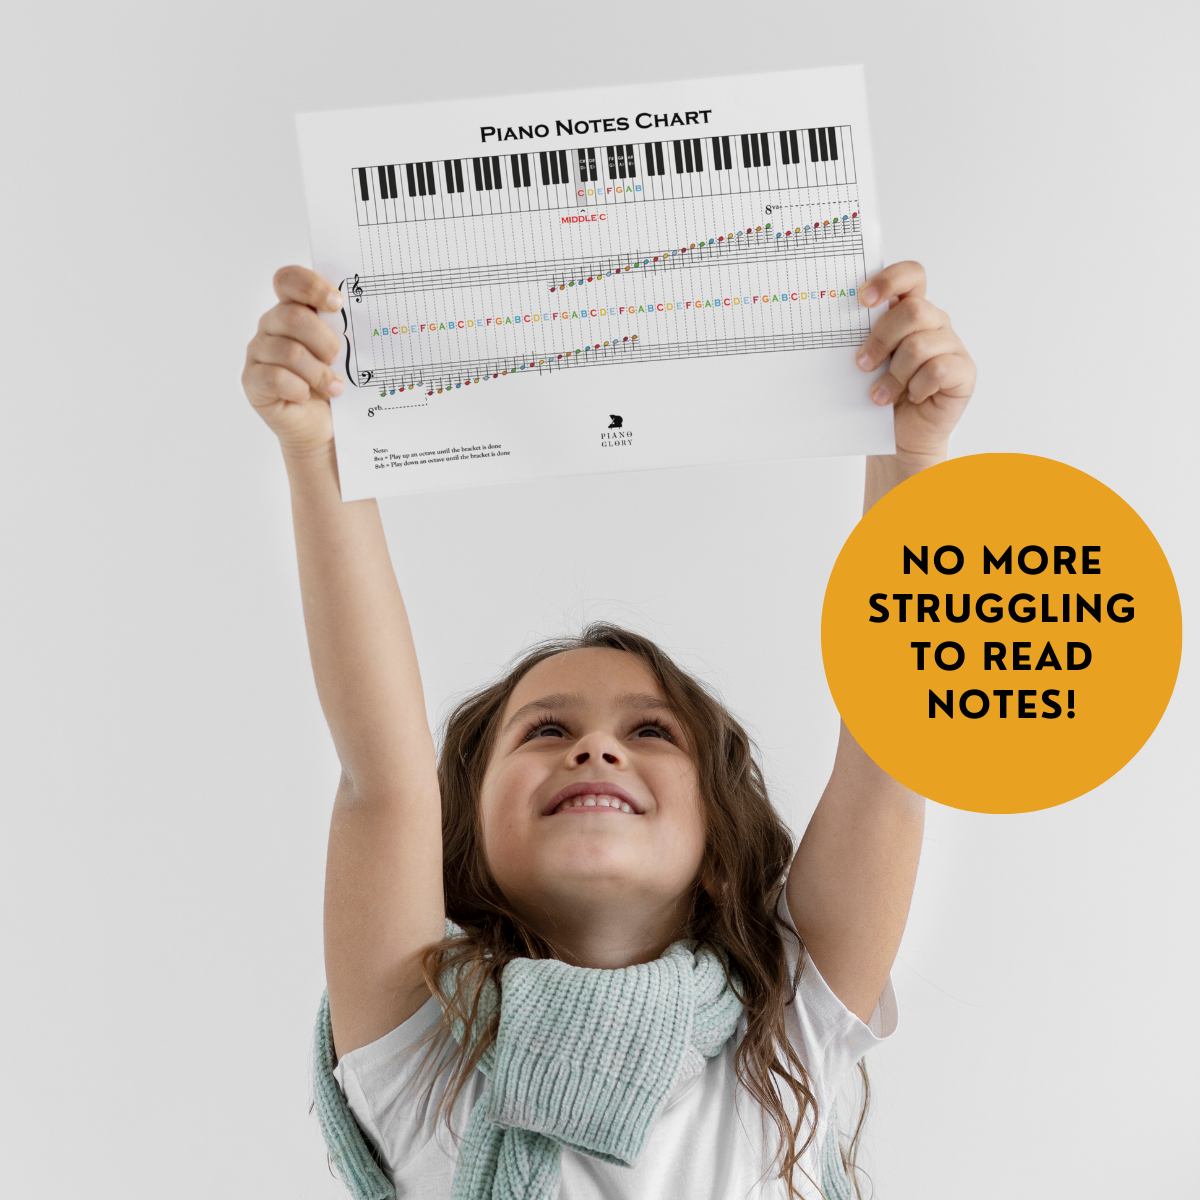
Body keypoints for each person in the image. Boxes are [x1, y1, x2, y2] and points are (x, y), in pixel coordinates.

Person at [242, 261, 975, 1199]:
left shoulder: (788, 1027)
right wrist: (318, 451)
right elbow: (382, 779)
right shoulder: (424, 1045)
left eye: (653, 734)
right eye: (545, 730)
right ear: (458, 833)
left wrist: (910, 450)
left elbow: (891, 750)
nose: (597, 749)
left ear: (719, 838)